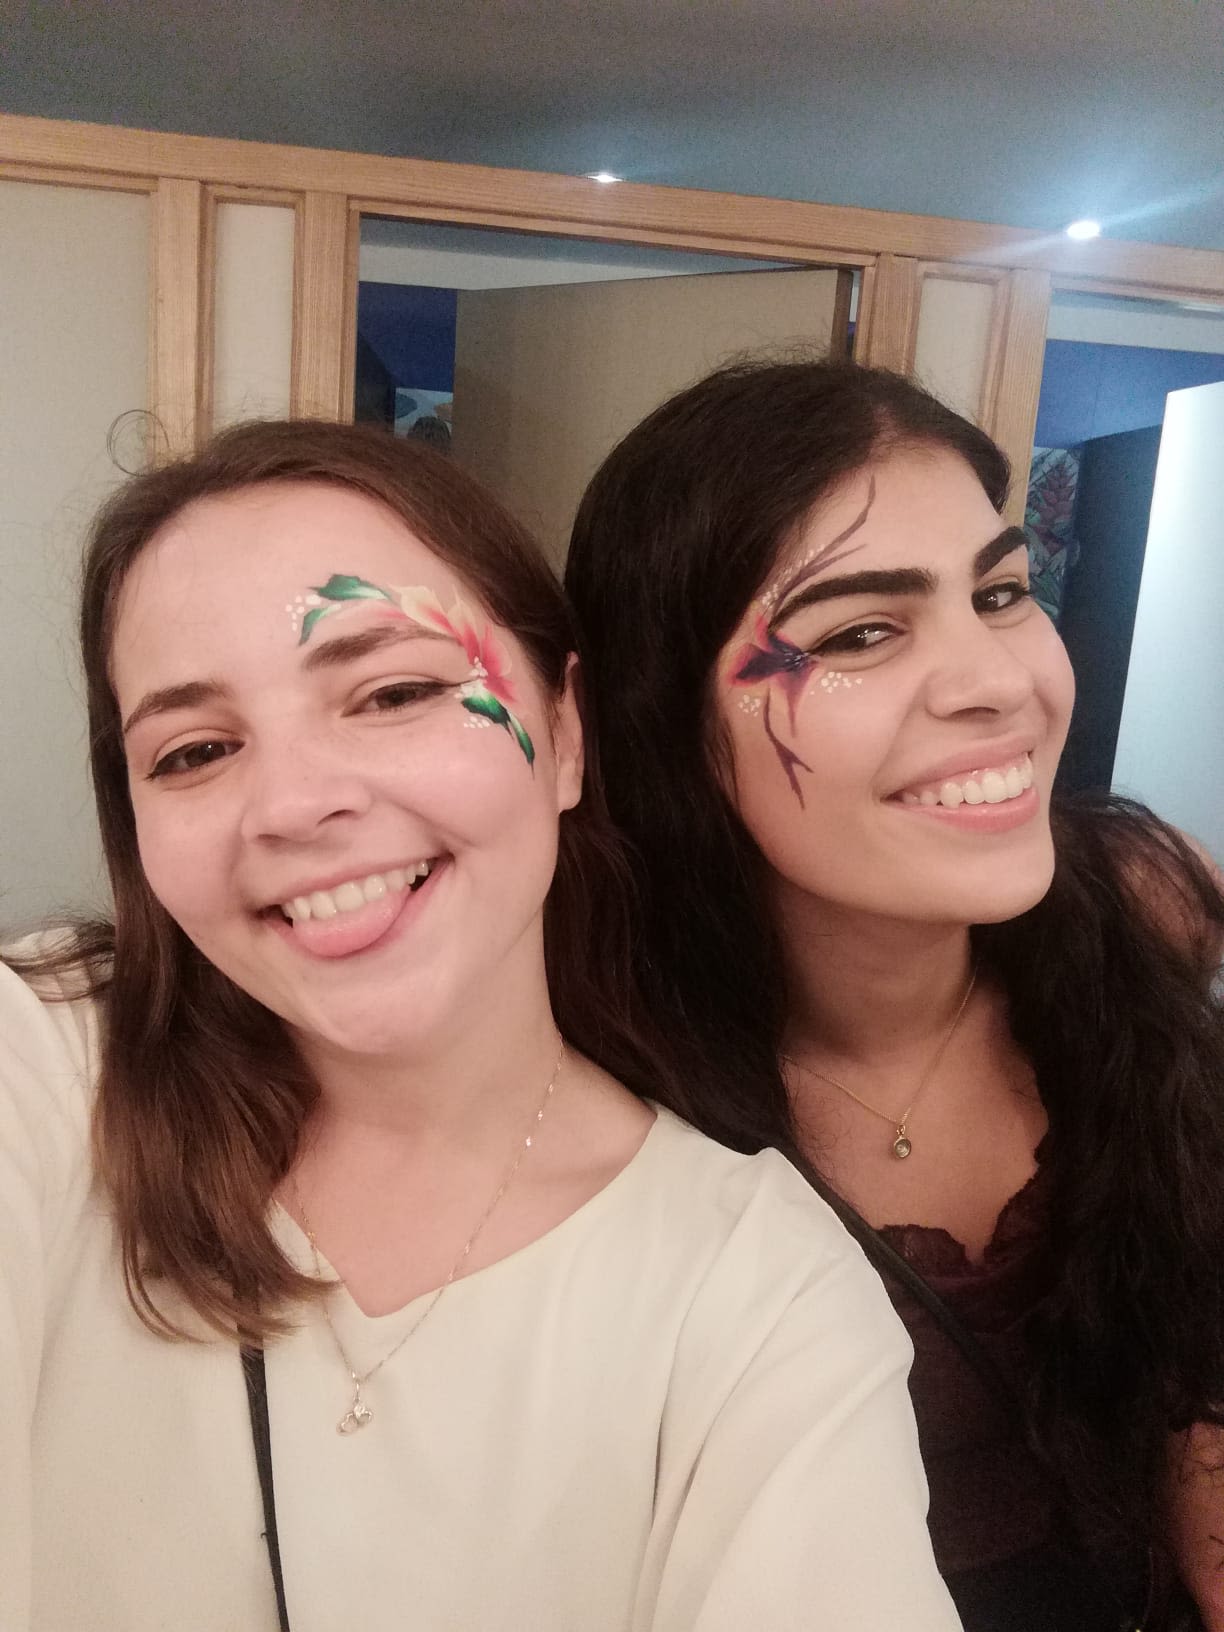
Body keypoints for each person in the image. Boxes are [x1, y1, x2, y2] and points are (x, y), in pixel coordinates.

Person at [0, 419, 962, 1632]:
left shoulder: (755, 1297)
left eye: (396, 690)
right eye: (194, 751)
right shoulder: (48, 1066)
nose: (293, 804)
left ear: (564, 733)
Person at [564, 358, 1224, 1632]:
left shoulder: (1140, 902)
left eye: (1001, 592)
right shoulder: (584, 1076)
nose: (998, 684)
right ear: (661, 723)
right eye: (862, 632)